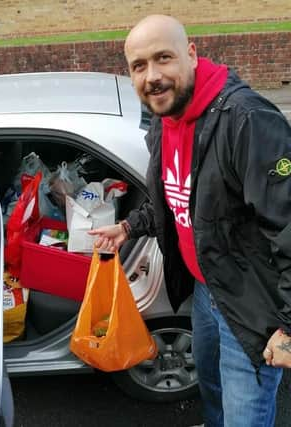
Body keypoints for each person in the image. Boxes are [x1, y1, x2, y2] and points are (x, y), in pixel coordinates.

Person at [88, 14, 291, 427]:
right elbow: (178, 195)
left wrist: (287, 325)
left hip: (250, 307)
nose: (153, 76)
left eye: (164, 58)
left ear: (192, 55)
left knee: (245, 417)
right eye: (139, 66)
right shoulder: (166, 120)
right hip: (205, 291)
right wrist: (130, 227)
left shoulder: (246, 120)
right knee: (212, 390)